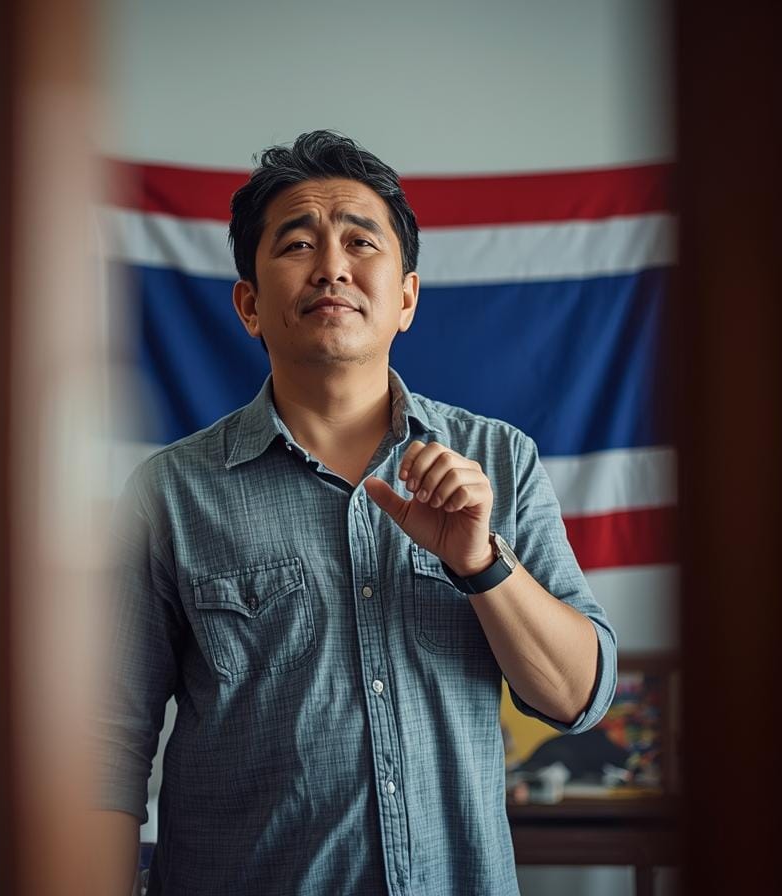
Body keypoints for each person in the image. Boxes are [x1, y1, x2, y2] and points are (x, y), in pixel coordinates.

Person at [97, 131, 618, 895]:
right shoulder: (169, 493)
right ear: (249, 305)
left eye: (360, 241)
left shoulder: (501, 461)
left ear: (406, 297)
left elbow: (577, 698)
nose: (332, 267)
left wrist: (481, 562)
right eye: (299, 243)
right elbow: (102, 751)